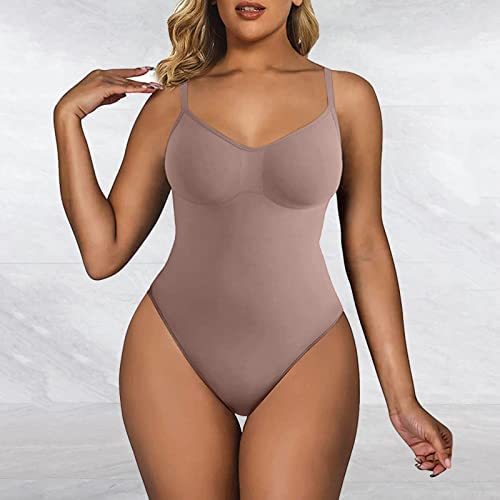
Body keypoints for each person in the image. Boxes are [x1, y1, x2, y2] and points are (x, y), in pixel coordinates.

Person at [53, 0, 453, 498]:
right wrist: (67, 119)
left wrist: (403, 399)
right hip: (173, 352)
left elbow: (366, 245)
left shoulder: (349, 98)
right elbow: (103, 254)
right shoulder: (172, 103)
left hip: (308, 353)